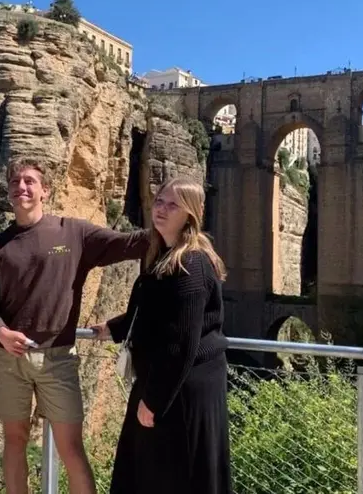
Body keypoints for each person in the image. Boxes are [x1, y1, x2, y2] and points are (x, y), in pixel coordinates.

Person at [0, 158, 150, 494]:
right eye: (16, 182)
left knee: (71, 448)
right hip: (9, 359)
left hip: (58, 358)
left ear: (45, 190)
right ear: (9, 192)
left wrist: (173, 227)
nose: (22, 187)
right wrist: (0, 331)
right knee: (14, 442)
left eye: (30, 181)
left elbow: (129, 244)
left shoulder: (73, 232)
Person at [90, 177, 232, 494]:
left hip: (180, 391)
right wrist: (114, 328)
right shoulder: (166, 254)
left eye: (173, 204)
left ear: (190, 214)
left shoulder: (191, 264)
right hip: (170, 384)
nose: (162, 209)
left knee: (170, 474)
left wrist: (153, 401)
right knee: (153, 471)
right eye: (159, 201)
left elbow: (180, 342)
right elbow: (153, 313)